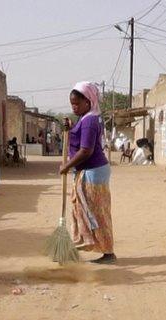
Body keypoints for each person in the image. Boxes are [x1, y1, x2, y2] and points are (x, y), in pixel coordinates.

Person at [60, 81, 115, 264]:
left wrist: (67, 165)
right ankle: (91, 245)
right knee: (84, 211)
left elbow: (86, 150)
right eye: (72, 104)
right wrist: (70, 127)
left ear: (89, 101)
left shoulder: (90, 121)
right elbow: (78, 136)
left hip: (93, 172)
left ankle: (108, 253)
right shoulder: (86, 118)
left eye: (77, 104)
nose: (74, 107)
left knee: (96, 213)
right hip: (88, 171)